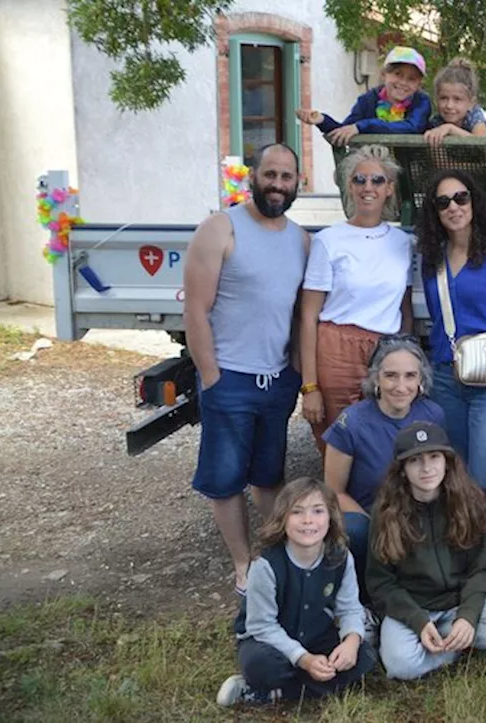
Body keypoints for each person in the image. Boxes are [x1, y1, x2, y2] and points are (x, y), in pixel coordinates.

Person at [184, 143, 307, 597]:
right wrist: (211, 376)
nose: (277, 184)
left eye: (286, 177)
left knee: (268, 474)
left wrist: (295, 370)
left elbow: (298, 313)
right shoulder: (221, 229)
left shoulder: (300, 239)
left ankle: (274, 551)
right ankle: (243, 562)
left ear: (298, 183)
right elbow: (196, 311)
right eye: (270, 174)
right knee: (225, 477)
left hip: (277, 380)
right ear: (253, 176)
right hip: (230, 376)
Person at [368, 423, 486, 679]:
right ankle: (454, 645)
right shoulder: (386, 513)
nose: (427, 468)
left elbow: (482, 569)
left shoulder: (469, 501)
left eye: (434, 457)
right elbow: (381, 582)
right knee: (399, 664)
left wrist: (468, 616)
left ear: (447, 462)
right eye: (415, 460)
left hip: (458, 603)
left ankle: (450, 639)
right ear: (403, 470)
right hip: (412, 607)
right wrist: (417, 621)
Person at [417, 170, 486, 492]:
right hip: (444, 376)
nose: (453, 207)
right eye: (443, 202)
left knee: (484, 475)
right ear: (434, 212)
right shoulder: (432, 259)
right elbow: (436, 314)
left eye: (460, 198)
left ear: (473, 202)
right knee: (453, 471)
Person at [216, 477, 374, 706]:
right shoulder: (265, 564)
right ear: (282, 518)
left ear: (331, 518)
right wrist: (304, 659)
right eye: (297, 512)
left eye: (318, 511)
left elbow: (350, 607)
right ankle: (273, 684)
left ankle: (269, 694)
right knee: (261, 665)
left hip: (315, 634)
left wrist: (351, 640)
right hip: (268, 640)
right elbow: (261, 625)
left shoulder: (340, 557)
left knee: (365, 658)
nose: (308, 521)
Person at [299, 145, 414, 446]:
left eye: (377, 180)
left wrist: (407, 355)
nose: (368, 187)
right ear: (349, 186)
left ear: (389, 188)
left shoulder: (403, 243)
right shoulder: (328, 241)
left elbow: (404, 308)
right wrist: (310, 386)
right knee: (339, 438)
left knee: (386, 437)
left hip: (386, 348)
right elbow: (308, 316)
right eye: (359, 180)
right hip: (337, 349)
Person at [322, 336, 445, 583]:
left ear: (421, 380)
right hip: (371, 516)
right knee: (354, 530)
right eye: (391, 375)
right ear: (376, 378)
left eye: (410, 376)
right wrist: (377, 528)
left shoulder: (433, 414)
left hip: (418, 513)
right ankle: (362, 599)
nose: (401, 386)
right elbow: (334, 491)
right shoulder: (351, 423)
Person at [297, 47, 432, 145]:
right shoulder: (368, 100)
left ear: (418, 84)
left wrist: (364, 126)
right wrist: (321, 120)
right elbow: (345, 130)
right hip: (373, 171)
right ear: (384, 74)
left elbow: (411, 127)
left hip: (411, 168)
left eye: (412, 79)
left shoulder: (421, 101)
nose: (403, 82)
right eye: (398, 74)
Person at [423, 58, 486, 144]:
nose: (449, 105)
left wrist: (450, 129)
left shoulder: (474, 115)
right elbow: (438, 156)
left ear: (471, 103)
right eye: (443, 98)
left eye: (457, 99)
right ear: (436, 99)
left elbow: (484, 144)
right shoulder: (436, 121)